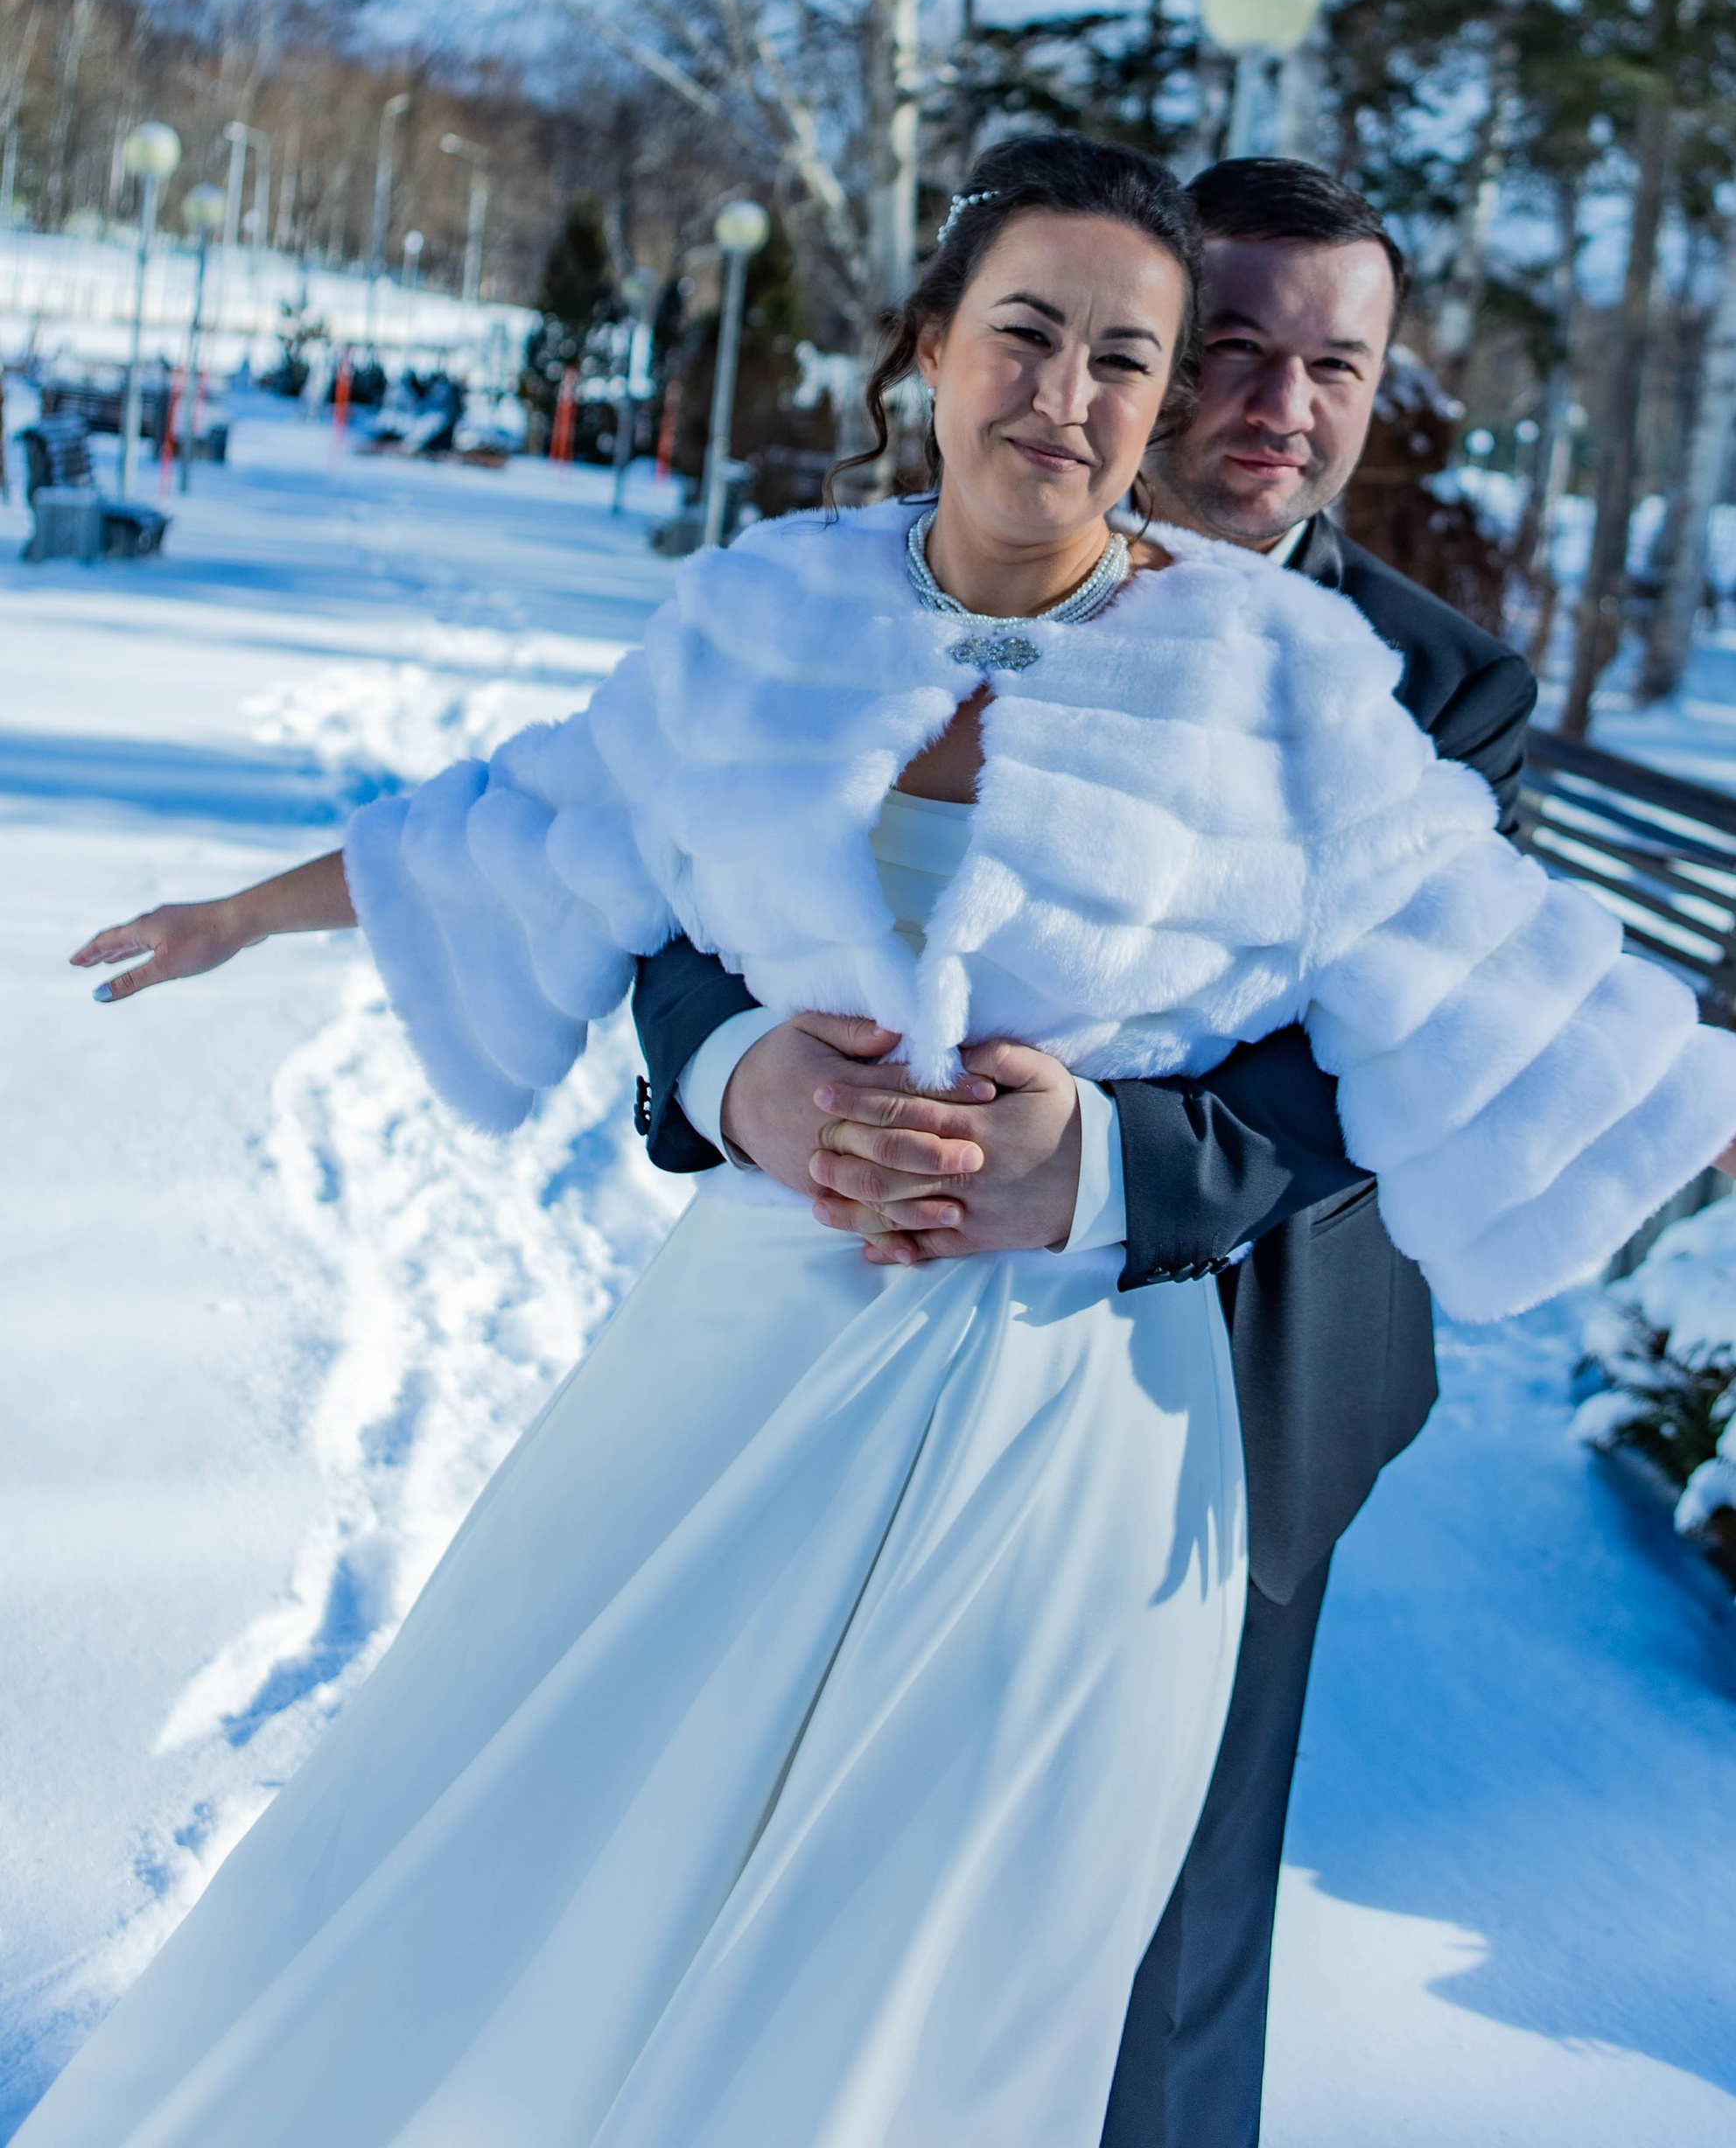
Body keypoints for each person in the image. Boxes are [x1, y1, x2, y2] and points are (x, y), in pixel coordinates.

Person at [46, 136, 1736, 2148]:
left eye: (1122, 357)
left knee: (921, 1942)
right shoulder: (773, 612)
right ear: (925, 346)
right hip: (751, 1345)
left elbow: (1498, 981)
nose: (1068, 394)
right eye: (1023, 333)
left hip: (1075, 1394)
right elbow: (551, 812)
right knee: (567, 1802)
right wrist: (250, 915)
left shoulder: (1279, 685)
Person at [632, 156, 1544, 2148]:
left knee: (1154, 1925)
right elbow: (677, 899)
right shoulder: (882, 590)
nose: (1274, 409)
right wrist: (737, 1074)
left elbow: (1389, 1048)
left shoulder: (1437, 685)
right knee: (754, 1841)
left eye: (1337, 368)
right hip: (841, 1341)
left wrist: (1105, 1164)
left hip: (1226, 1373)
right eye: (1223, 348)